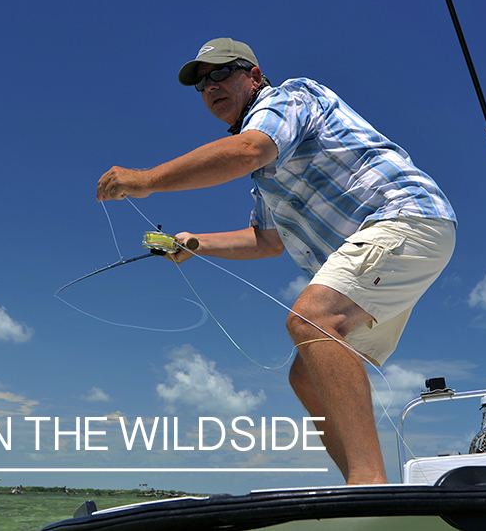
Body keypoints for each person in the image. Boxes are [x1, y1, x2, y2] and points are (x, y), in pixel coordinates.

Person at [97, 38, 456, 485]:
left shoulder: (289, 98)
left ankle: (370, 483)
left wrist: (147, 180)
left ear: (254, 75)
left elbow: (248, 149)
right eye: (201, 84)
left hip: (405, 216)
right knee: (305, 377)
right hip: (387, 251)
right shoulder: (267, 174)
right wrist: (196, 243)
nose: (211, 87)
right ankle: (362, 488)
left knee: (312, 320)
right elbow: (267, 241)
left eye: (221, 73)